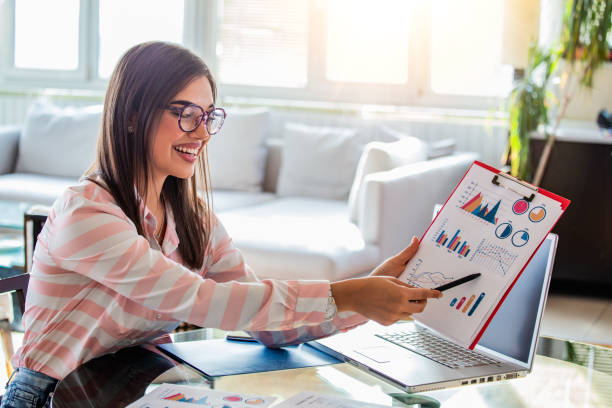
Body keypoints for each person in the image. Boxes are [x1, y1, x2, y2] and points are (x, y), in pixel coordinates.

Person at [1, 42, 441, 408]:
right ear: (133, 115)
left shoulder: (192, 219)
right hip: (51, 395)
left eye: (209, 116)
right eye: (186, 113)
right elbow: (203, 300)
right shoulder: (87, 213)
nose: (202, 132)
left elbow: (265, 323)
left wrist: (362, 297)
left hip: (145, 385)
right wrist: (347, 292)